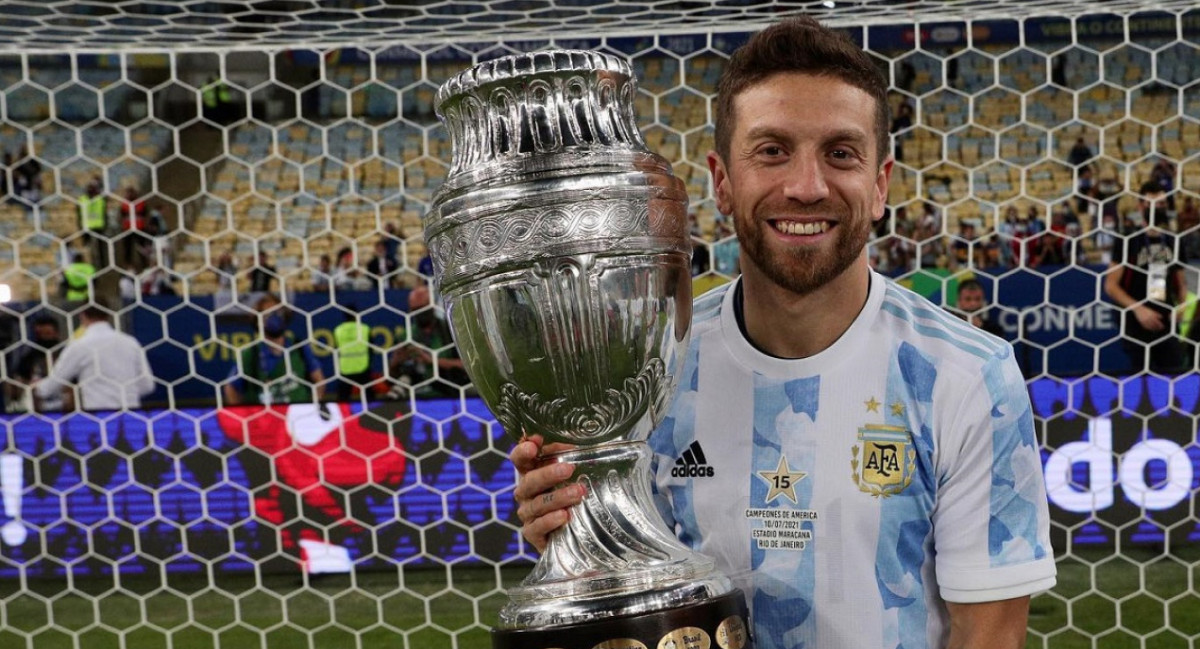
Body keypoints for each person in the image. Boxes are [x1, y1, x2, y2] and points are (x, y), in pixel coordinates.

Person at [511, 17, 1056, 649]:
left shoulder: (967, 375)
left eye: (841, 153)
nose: (806, 187)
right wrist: (578, 524)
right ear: (722, 181)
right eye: (771, 151)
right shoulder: (646, 373)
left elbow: (988, 639)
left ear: (880, 185)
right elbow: (626, 601)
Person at [1104, 181, 1191, 375]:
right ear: (1140, 205)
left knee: (1175, 374)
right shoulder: (1127, 238)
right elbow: (1111, 285)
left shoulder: (1173, 240)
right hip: (1135, 321)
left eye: (1161, 204)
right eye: (1151, 203)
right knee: (1142, 380)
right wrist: (1139, 309)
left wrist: (1181, 306)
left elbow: (1181, 282)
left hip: (1166, 320)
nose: (1157, 208)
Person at [33, 306, 154, 412]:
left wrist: (34, 388)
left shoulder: (79, 346)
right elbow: (148, 385)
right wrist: (123, 393)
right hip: (131, 414)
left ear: (82, 316)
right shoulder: (131, 342)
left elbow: (51, 385)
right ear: (108, 315)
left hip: (98, 416)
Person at [224, 296, 326, 406]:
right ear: (258, 320)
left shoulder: (299, 347)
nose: (274, 316)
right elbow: (230, 388)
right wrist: (242, 414)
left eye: (277, 312)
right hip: (263, 418)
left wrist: (312, 408)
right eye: (267, 313)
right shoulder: (250, 353)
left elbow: (319, 379)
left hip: (295, 415)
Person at [388, 284, 468, 399]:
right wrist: (395, 363)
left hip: (450, 390)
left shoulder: (449, 330)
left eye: (423, 307)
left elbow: (465, 365)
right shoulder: (405, 336)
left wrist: (431, 360)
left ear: (432, 305)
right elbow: (391, 377)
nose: (420, 312)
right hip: (415, 395)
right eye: (416, 309)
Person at [5, 316, 63, 412]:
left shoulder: (66, 355)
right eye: (40, 334)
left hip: (64, 408)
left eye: (48, 334)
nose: (44, 338)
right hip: (38, 409)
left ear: (56, 334)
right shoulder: (29, 358)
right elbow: (18, 386)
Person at [333, 311, 373, 402]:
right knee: (368, 397)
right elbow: (370, 348)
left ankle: (341, 414)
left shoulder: (338, 330)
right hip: (363, 366)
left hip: (345, 367)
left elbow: (336, 349)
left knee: (343, 398)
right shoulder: (364, 328)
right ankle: (373, 412)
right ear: (356, 315)